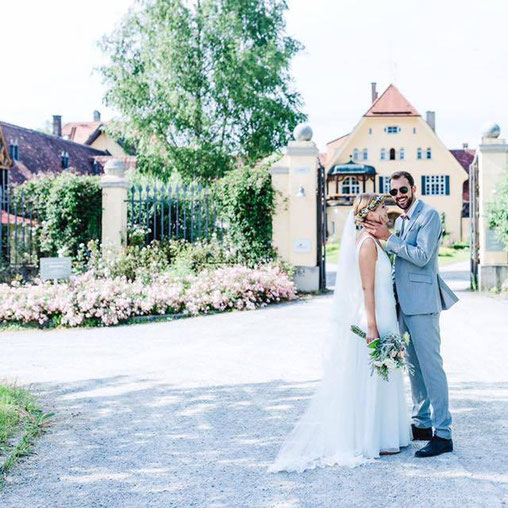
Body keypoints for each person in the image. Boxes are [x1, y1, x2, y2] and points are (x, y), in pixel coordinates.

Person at [268, 193, 410, 473]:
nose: (386, 210)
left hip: (386, 312)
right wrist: (372, 325)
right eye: (382, 207)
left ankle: (386, 433)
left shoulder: (378, 240)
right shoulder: (367, 244)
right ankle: (371, 437)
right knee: (375, 376)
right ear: (369, 213)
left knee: (386, 375)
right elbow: (366, 288)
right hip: (375, 315)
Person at [364, 171, 458, 458]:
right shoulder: (402, 218)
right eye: (394, 191)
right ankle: (422, 423)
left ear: (413, 188)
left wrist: (389, 239)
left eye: (403, 189)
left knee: (431, 369)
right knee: (414, 369)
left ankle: (443, 433)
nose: (399, 195)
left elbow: (421, 256)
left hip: (424, 303)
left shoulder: (428, 215)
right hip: (403, 304)